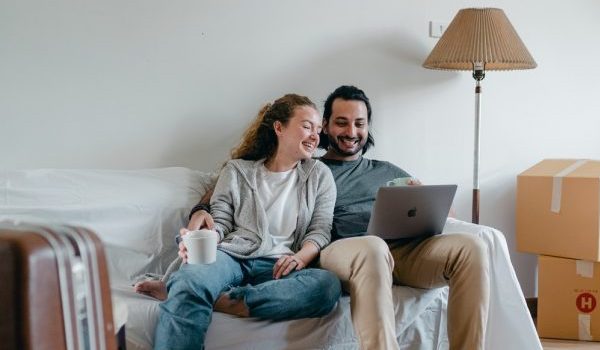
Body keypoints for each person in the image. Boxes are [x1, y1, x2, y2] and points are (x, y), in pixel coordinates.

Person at [159, 86, 490, 350]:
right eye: (340, 123)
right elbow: (219, 206)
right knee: (370, 248)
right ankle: (189, 290)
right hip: (340, 251)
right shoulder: (298, 167)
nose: (351, 131)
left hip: (388, 250)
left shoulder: (373, 171)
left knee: (472, 246)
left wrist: (431, 202)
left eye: (359, 123)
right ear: (326, 128)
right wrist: (201, 219)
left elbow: (436, 210)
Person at [148, 93, 342, 350]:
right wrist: (205, 238)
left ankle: (223, 300)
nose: (316, 136)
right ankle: (189, 288)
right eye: (307, 126)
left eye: (318, 130)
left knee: (326, 286)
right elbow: (221, 221)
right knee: (191, 276)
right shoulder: (238, 171)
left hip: (281, 265)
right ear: (279, 128)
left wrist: (301, 258)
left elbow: (320, 229)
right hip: (233, 256)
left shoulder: (319, 175)